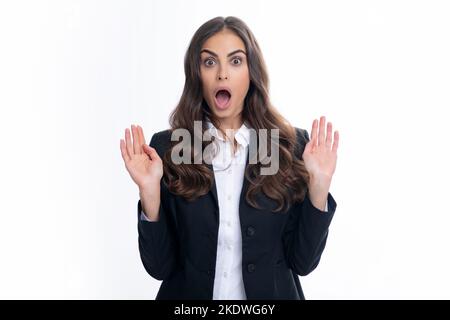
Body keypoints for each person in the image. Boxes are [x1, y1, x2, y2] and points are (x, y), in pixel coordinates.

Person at [119, 16, 339, 300]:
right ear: (197, 73)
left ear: (251, 72)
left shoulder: (280, 146)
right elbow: (160, 267)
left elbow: (302, 263)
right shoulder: (173, 148)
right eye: (209, 62)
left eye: (235, 61)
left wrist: (318, 187)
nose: (222, 74)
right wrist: (150, 193)